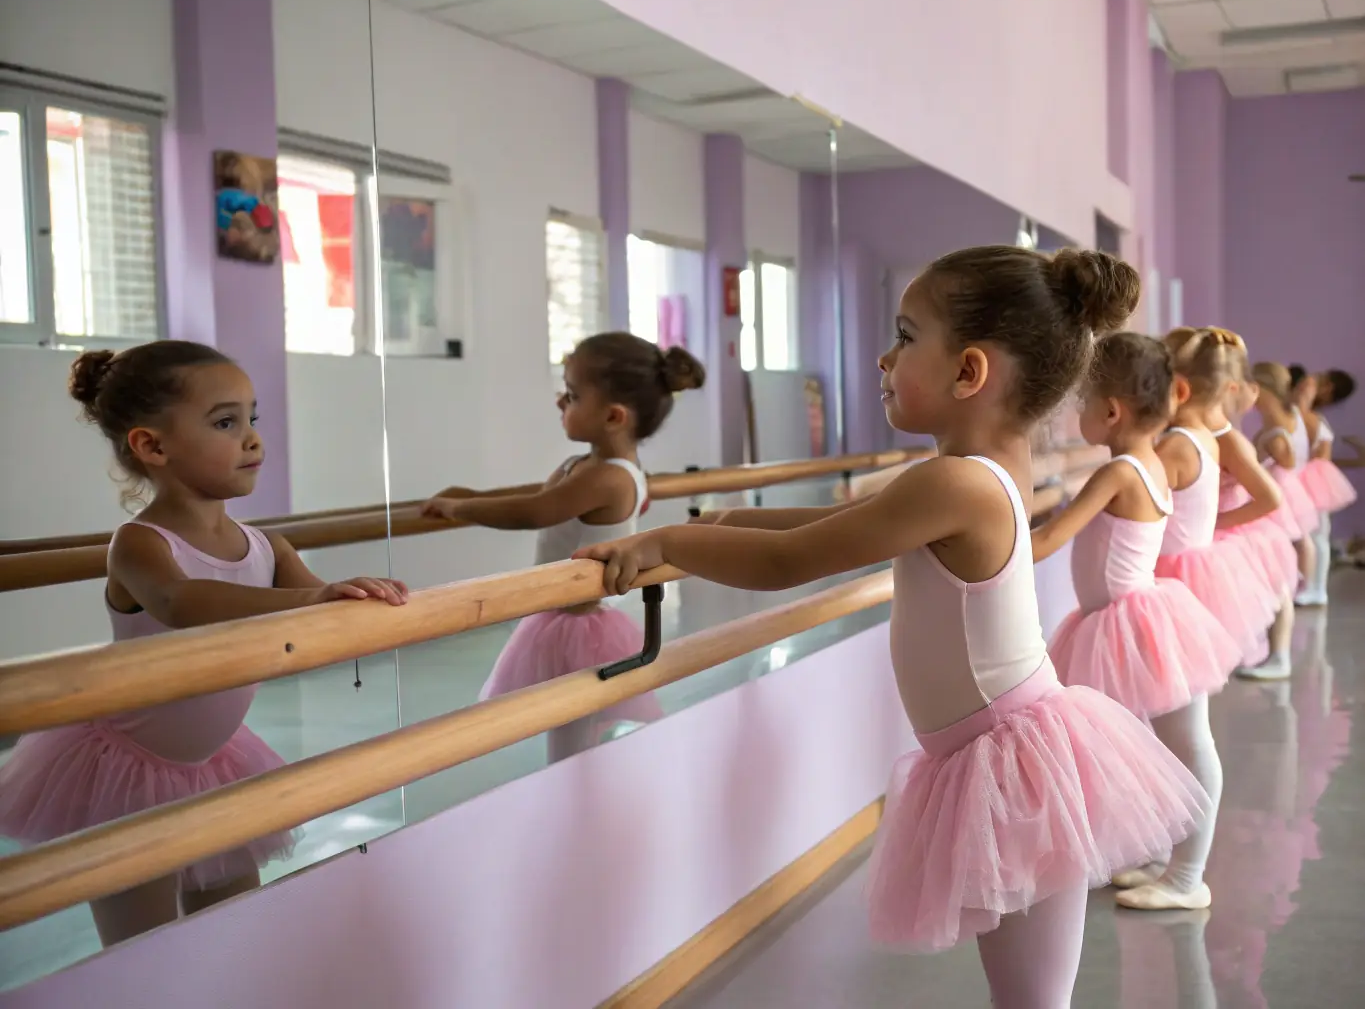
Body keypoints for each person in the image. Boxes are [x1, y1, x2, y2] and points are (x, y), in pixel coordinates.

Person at [574, 246, 1208, 1009]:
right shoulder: (977, 472)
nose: (882, 357)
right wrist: (725, 517)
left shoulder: (953, 482)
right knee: (1033, 996)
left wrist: (668, 543)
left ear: (968, 372)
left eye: (905, 337)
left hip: (1013, 761)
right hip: (1015, 749)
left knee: (1034, 999)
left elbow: (793, 560)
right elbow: (835, 517)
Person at [0, 341, 408, 948]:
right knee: (141, 943)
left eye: (252, 419)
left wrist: (360, 600)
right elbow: (181, 603)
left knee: (231, 922)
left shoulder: (266, 547)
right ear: (152, 446)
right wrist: (310, 602)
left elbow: (324, 611)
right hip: (121, 769)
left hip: (213, 762)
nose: (252, 439)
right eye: (225, 422)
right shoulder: (141, 544)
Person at [420, 332, 705, 761]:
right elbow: (540, 498)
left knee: (577, 731)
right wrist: (470, 496)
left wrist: (461, 507)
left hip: (577, 621)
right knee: (570, 730)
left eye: (571, 395)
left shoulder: (606, 477)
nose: (559, 402)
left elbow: (535, 512)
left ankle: (577, 795)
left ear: (613, 417)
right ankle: (571, 789)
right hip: (562, 612)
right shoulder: (589, 465)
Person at [1031, 331, 1238, 913]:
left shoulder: (1120, 472)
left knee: (1188, 745)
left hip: (1134, 624)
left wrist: (972, 541)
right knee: (1154, 746)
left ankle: (1186, 877)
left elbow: (1049, 539)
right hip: (1130, 621)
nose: (1076, 415)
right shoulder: (1148, 460)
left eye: (1081, 403)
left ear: (1112, 411)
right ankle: (1159, 855)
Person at [1156, 329, 1279, 669]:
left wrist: (1219, 522)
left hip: (1205, 543)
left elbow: (1270, 498)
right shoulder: (1192, 436)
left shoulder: (1225, 441)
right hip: (1192, 538)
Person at [1206, 337, 1297, 680]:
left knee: (1275, 591)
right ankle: (1268, 654)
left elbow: (1269, 491)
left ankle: (1279, 655)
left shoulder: (1233, 436)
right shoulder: (1224, 432)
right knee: (1264, 592)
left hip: (1238, 524)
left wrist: (1223, 520)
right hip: (1233, 523)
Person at [1251, 362, 1322, 607]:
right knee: (1301, 538)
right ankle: (1302, 584)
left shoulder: (1277, 430)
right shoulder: (1290, 416)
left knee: (1290, 539)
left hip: (1280, 488)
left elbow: (1286, 458)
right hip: (1289, 487)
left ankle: (1297, 585)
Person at [1289, 366, 1357, 600]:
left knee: (1317, 535)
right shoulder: (1307, 417)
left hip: (1312, 484)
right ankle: (1309, 585)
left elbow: (1320, 458)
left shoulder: (1314, 420)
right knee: (1307, 537)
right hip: (1299, 481)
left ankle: (1315, 588)